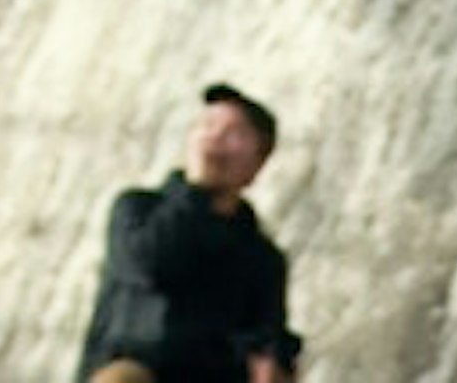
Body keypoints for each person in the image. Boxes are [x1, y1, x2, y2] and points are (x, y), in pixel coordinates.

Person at [76, 85, 302, 383]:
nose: (215, 138)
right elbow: (151, 264)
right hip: (136, 369)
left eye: (234, 133)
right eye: (207, 126)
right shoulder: (137, 210)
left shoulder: (260, 256)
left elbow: (268, 331)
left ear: (256, 165)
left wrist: (272, 357)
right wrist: (194, 192)